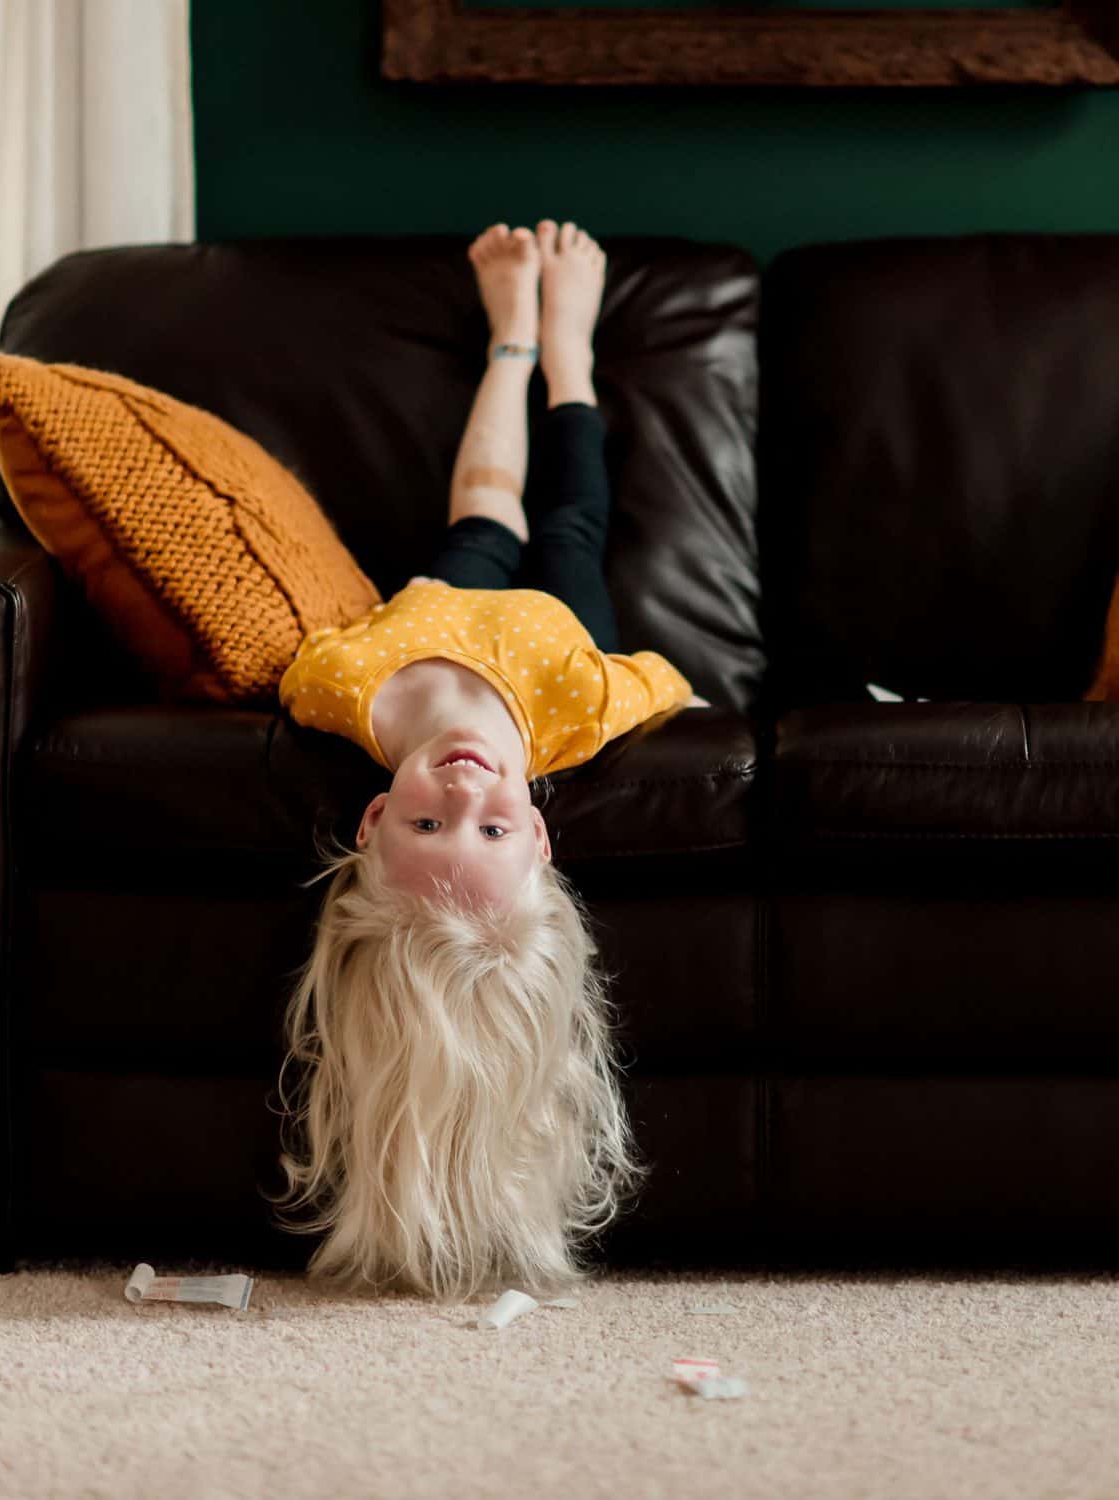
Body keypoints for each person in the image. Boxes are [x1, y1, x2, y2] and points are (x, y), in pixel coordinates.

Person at [268, 219, 699, 1302]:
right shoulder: (579, 706)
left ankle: (511, 337)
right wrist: (658, 687)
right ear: (541, 833)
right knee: (571, 513)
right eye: (494, 828)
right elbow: (663, 677)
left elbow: (297, 652)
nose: (464, 790)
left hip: (439, 609)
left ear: (371, 820)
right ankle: (570, 354)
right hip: (556, 632)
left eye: (427, 823)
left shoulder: (343, 694)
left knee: (484, 497)